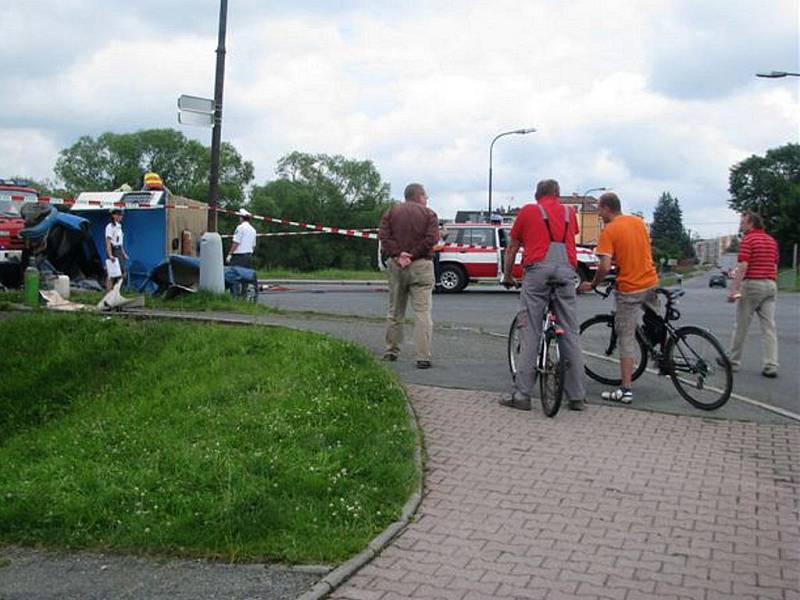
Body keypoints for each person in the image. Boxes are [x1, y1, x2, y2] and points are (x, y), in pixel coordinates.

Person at [501, 179, 586, 412]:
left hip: (537, 272)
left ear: (537, 194)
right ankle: (577, 397)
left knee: (530, 330)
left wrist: (508, 275)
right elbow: (570, 237)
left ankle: (522, 395)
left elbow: (512, 248)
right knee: (570, 332)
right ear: (558, 194)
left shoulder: (529, 211)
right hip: (567, 272)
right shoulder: (570, 212)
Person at [579, 192, 659, 404]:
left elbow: (604, 266)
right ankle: (664, 358)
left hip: (630, 288)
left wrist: (594, 283)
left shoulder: (609, 231)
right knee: (657, 322)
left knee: (626, 337)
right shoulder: (638, 222)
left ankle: (625, 389)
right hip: (650, 282)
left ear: (607, 208)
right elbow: (637, 251)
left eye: (599, 209)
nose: (598, 213)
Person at [379, 183, 439, 368]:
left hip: (397, 266)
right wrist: (412, 254)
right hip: (421, 265)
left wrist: (399, 254)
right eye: (425, 196)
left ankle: (391, 351)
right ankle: (423, 356)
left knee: (395, 311)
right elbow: (432, 239)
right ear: (419, 196)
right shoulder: (429, 215)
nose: (427, 200)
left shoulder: (391, 212)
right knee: (422, 312)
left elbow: (384, 236)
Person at [726, 211, 779, 377]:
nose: (741, 225)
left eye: (743, 222)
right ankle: (771, 365)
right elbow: (775, 264)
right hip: (770, 284)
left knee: (741, 324)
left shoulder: (748, 240)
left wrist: (734, 290)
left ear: (751, 223)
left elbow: (743, 265)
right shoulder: (771, 240)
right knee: (769, 327)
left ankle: (733, 362)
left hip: (752, 284)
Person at [105, 207, 128, 291]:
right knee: (111, 274)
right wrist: (110, 255)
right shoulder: (110, 226)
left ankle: (116, 292)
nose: (120, 217)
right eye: (118, 215)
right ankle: (108, 293)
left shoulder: (119, 227)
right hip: (113, 250)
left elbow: (120, 242)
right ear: (113, 215)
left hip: (119, 251)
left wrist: (124, 253)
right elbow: (108, 241)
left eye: (121, 215)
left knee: (123, 273)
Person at [432, 221, 449, 293]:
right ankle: (437, 285)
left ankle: (435, 285)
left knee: (434, 269)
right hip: (436, 251)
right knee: (436, 269)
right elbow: (445, 234)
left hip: (431, 251)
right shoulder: (438, 233)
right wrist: (443, 226)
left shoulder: (429, 231)